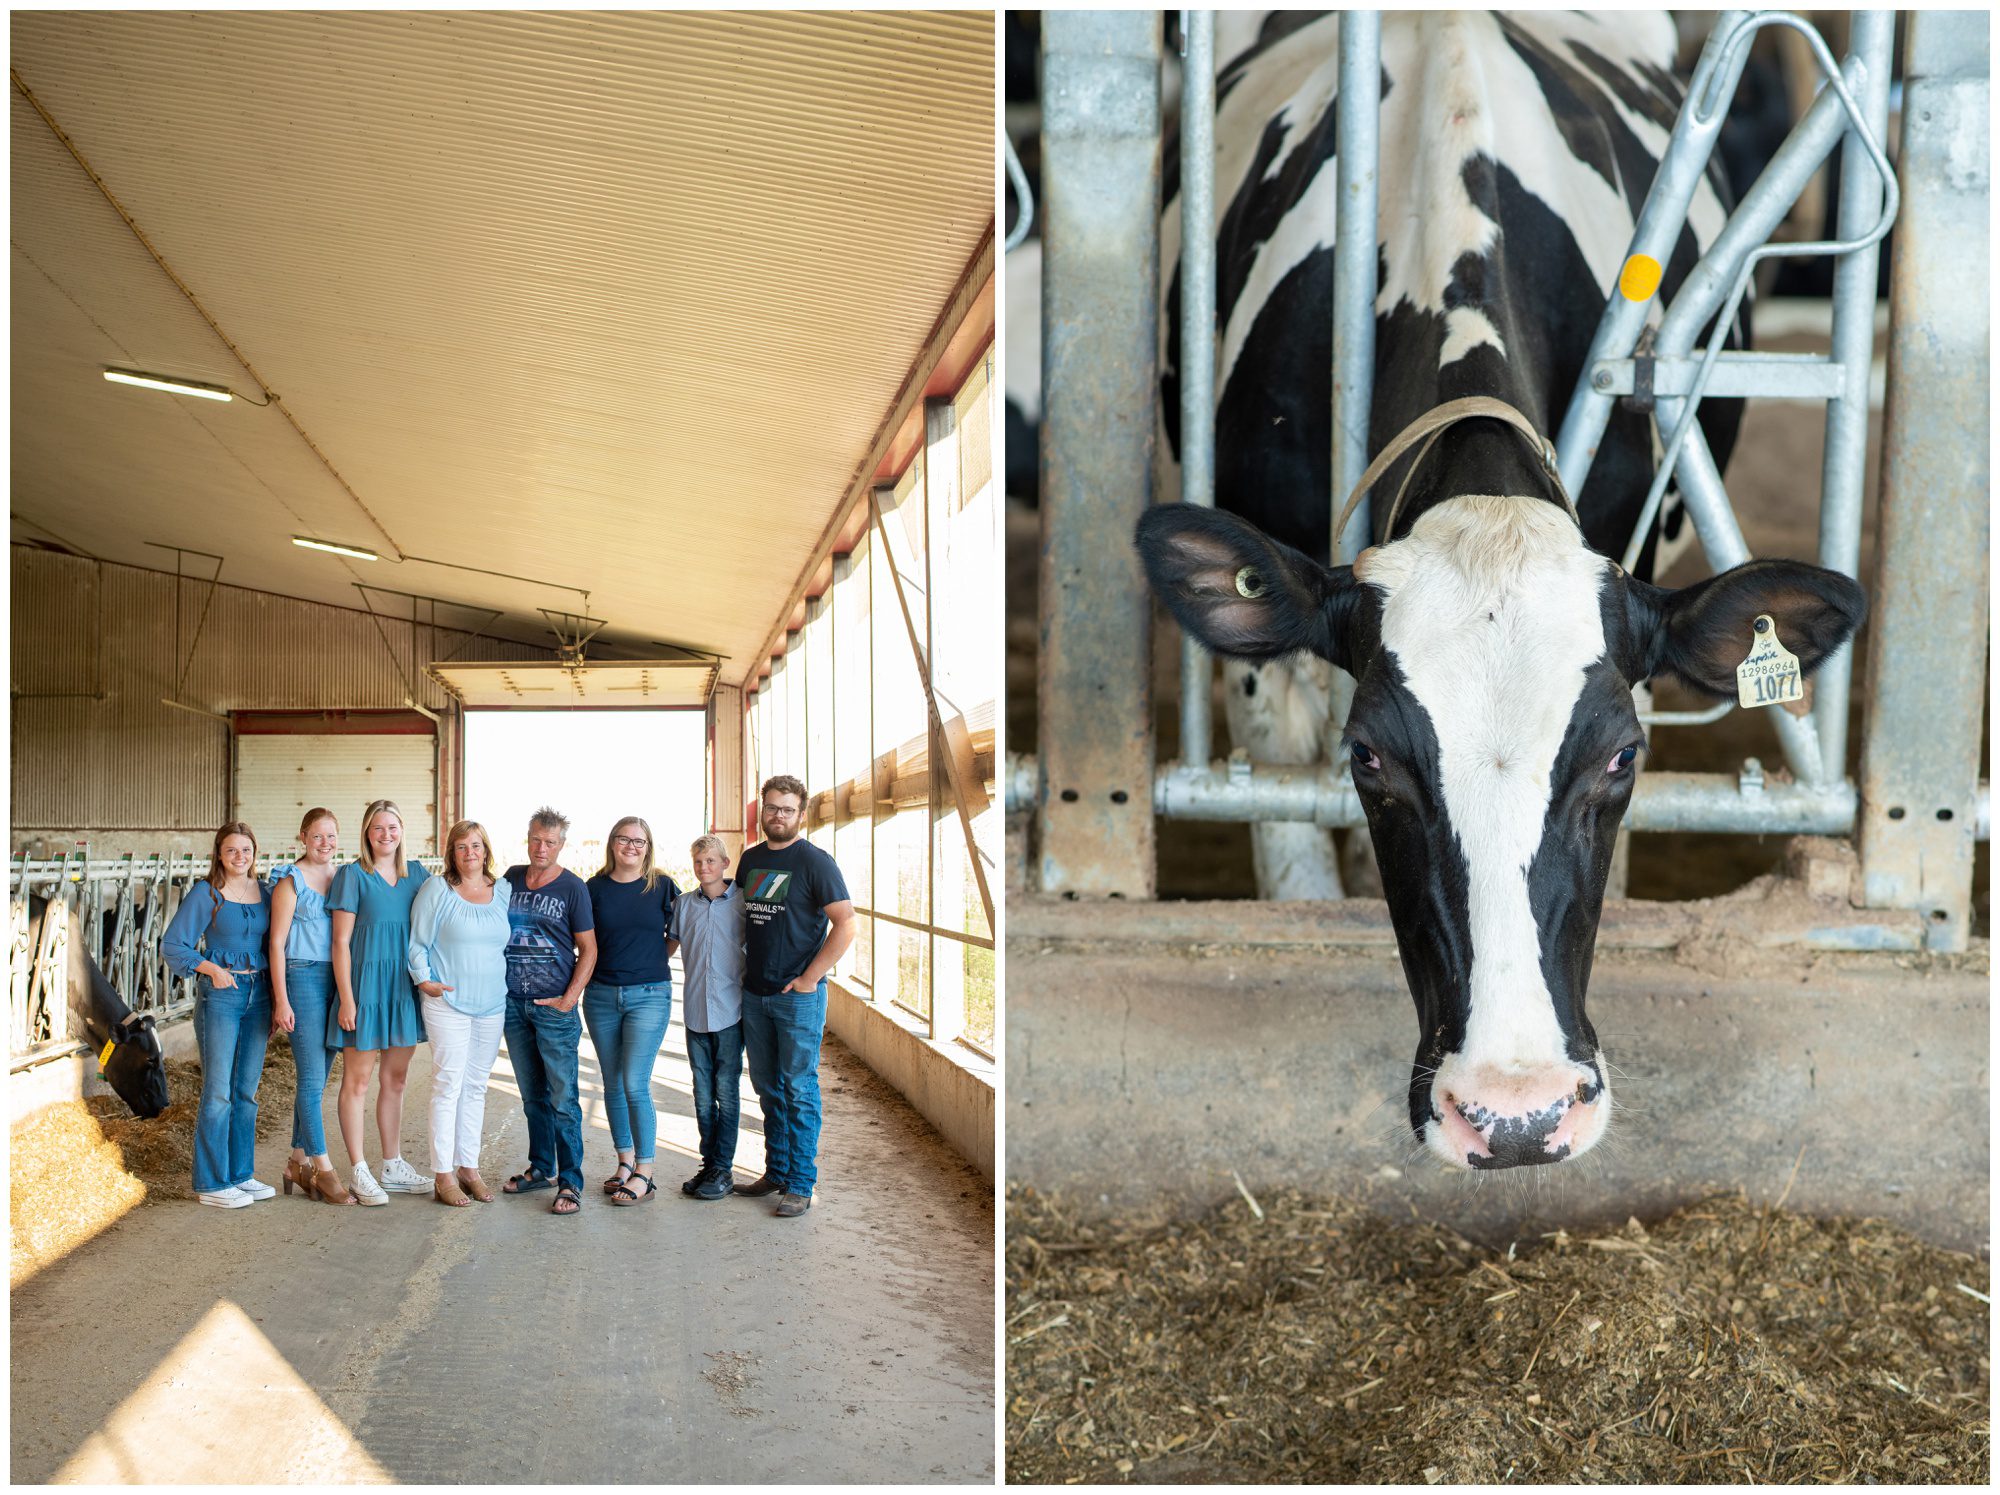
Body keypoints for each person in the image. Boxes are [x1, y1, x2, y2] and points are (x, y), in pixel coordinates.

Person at [736, 775, 856, 1218]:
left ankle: (802, 1183)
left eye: (787, 809)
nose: (778, 816)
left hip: (798, 996)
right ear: (761, 811)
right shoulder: (750, 861)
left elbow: (846, 923)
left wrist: (810, 978)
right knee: (767, 1087)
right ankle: (778, 1171)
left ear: (801, 816)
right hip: (755, 994)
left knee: (798, 1087)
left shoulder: (815, 863)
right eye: (771, 808)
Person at [162, 821, 274, 1209]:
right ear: (219, 855)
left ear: (254, 853)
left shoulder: (267, 892)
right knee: (218, 1093)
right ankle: (211, 1183)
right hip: (221, 997)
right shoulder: (207, 893)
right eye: (231, 851)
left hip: (258, 995)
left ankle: (240, 1174)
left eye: (246, 850)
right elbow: (174, 945)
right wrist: (211, 969)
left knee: (246, 1091)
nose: (239, 857)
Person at [328, 799, 433, 1206]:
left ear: (402, 831)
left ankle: (392, 1165)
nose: (386, 834)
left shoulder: (419, 876)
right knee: (356, 1082)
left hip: (401, 989)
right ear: (367, 832)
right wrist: (347, 999)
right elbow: (340, 942)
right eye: (378, 827)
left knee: (396, 1080)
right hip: (365, 989)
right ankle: (358, 1170)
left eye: (393, 827)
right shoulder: (353, 876)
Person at [407, 820, 512, 1207]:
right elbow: (417, 943)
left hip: (491, 1004)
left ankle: (469, 1167)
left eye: (476, 845)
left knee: (476, 1086)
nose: (470, 853)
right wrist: (424, 981)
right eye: (462, 847)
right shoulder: (438, 889)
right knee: (448, 1084)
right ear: (452, 852)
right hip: (447, 1001)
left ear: (486, 849)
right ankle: (443, 1174)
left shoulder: (502, 891)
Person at [499, 807, 598, 1217]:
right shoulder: (510, 877)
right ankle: (542, 1167)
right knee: (532, 1096)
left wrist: (569, 998)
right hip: (512, 1005)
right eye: (536, 839)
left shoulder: (573, 888)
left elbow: (588, 949)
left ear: (561, 845)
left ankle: (571, 1181)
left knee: (563, 1098)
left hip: (553, 1006)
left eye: (551, 842)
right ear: (528, 837)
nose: (542, 848)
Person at [583, 816, 678, 1207]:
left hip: (649, 994)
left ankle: (645, 1171)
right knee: (611, 1082)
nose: (631, 846)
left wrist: (648, 962)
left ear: (648, 846)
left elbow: (675, 935)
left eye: (639, 841)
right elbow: (584, 940)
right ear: (612, 844)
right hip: (602, 995)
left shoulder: (662, 886)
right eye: (624, 839)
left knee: (634, 1082)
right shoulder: (594, 888)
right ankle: (623, 1162)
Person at [267, 807, 353, 1205]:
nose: (325, 844)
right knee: (310, 1078)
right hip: (301, 975)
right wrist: (281, 998)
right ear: (303, 837)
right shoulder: (291, 880)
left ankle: (296, 1162)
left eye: (331, 836)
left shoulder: (341, 877)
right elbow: (276, 943)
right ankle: (324, 1169)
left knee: (321, 1076)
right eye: (317, 836)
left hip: (336, 979)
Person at [671, 833, 746, 1201]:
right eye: (699, 862)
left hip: (730, 1012)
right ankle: (708, 1163)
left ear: (725, 864)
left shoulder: (744, 903)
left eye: (711, 861)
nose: (704, 868)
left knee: (727, 1093)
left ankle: (724, 1168)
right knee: (702, 1096)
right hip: (695, 1014)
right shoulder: (683, 905)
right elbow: (666, 947)